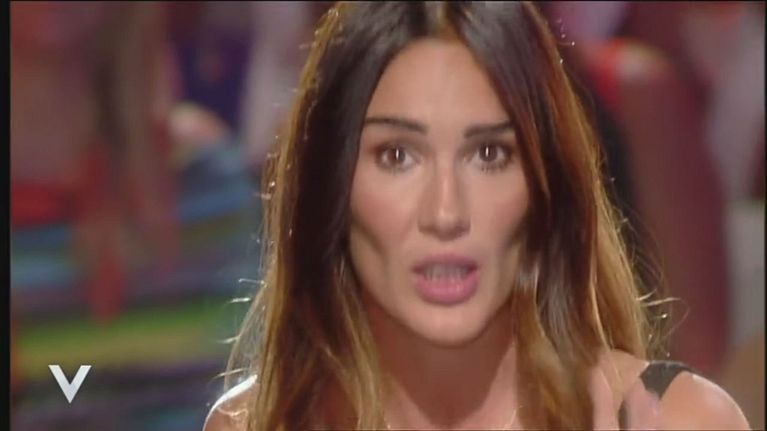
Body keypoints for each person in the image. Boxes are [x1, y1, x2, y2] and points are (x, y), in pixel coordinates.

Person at [204, 2, 750, 430]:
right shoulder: (255, 423)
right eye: (397, 156)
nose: (446, 212)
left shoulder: (678, 421)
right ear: (333, 186)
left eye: (489, 155)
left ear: (544, 187)